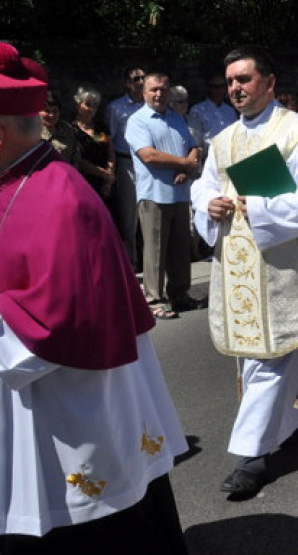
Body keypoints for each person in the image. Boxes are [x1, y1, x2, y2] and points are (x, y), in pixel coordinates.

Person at [0, 43, 188, 553]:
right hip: (35, 397)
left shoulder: (56, 195)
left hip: (70, 396)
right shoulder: (16, 178)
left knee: (93, 520)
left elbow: (53, 323)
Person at [191, 47, 298, 497]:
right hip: (238, 261)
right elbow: (205, 184)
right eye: (230, 82)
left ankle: (252, 453)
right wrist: (209, 202)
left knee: (272, 352)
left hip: (285, 259)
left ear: (269, 82)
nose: (236, 89)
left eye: (244, 79)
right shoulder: (223, 139)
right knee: (275, 349)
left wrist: (260, 208)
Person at [126, 73, 200, 320]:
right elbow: (149, 156)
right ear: (144, 93)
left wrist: (188, 164)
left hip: (179, 193)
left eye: (163, 90)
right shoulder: (138, 120)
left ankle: (180, 294)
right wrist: (186, 164)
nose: (159, 94)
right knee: (155, 250)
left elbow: (193, 145)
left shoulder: (177, 118)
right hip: (154, 194)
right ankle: (154, 299)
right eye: (153, 90)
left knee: (180, 248)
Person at [106, 64, 146, 269]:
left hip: (149, 164)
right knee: (129, 215)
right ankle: (131, 261)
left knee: (149, 211)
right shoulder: (116, 108)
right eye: (135, 79)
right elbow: (110, 139)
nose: (140, 82)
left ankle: (149, 260)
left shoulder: (150, 104)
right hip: (127, 162)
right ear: (126, 84)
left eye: (142, 78)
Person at [72, 85, 115, 197]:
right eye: (88, 104)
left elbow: (110, 152)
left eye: (95, 105)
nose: (92, 109)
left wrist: (108, 181)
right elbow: (79, 160)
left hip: (104, 183)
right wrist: (105, 174)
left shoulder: (101, 128)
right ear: (78, 105)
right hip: (83, 181)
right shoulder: (71, 130)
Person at [187, 73, 236, 160]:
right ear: (208, 88)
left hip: (229, 158)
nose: (219, 90)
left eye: (222, 86)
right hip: (207, 158)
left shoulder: (230, 111)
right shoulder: (197, 111)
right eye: (215, 87)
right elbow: (195, 140)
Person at [39, 88, 82, 168]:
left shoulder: (68, 129)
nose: (51, 115)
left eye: (55, 111)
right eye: (47, 111)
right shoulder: (32, 133)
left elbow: (75, 159)